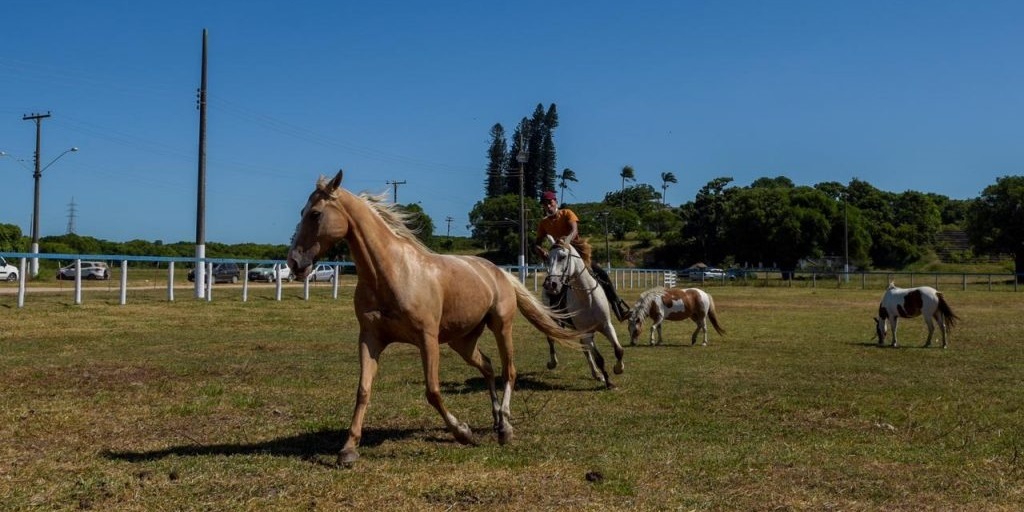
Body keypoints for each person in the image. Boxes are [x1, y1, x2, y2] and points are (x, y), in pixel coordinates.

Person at [532, 191, 630, 321]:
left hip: (577, 254)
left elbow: (574, 230)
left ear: (555, 201)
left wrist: (566, 243)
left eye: (550, 202)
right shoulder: (543, 223)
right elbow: (536, 244)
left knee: (602, 274)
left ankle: (618, 307)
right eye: (545, 204)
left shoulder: (567, 213)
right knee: (552, 285)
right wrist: (541, 251)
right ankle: (556, 317)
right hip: (561, 258)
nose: (548, 206)